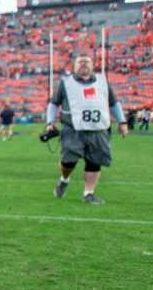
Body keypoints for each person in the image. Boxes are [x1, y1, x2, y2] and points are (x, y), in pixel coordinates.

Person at [45, 54, 129, 204]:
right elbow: (53, 104)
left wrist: (122, 121)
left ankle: (88, 193)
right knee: (68, 162)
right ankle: (64, 179)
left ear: (93, 65)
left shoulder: (103, 82)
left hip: (98, 129)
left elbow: (114, 103)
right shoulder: (66, 83)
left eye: (87, 62)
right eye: (80, 62)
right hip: (73, 130)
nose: (83, 64)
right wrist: (50, 122)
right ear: (74, 66)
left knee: (94, 162)